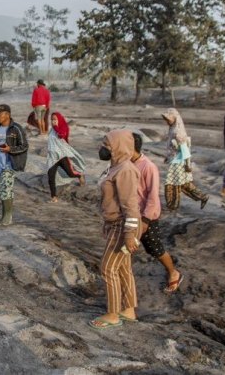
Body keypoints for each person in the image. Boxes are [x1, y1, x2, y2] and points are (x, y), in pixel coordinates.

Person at [89, 130, 142, 329]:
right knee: (123, 268)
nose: (103, 148)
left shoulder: (126, 170)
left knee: (108, 268)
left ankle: (112, 314)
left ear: (117, 147)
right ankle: (129, 309)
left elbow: (131, 206)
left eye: (107, 145)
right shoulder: (116, 167)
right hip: (116, 225)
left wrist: (130, 234)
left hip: (123, 226)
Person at [132, 132, 183, 294]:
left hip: (146, 216)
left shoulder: (148, 167)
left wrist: (146, 220)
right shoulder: (125, 163)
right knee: (125, 246)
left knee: (154, 247)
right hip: (131, 214)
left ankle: (173, 272)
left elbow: (153, 196)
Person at [161, 108, 209, 211]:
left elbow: (185, 150)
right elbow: (172, 146)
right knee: (183, 184)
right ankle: (202, 197)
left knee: (171, 185)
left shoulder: (178, 132)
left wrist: (188, 165)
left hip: (178, 163)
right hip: (175, 160)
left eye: (168, 118)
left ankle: (172, 206)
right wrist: (168, 156)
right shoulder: (173, 129)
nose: (167, 121)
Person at [46, 112, 85, 202]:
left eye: (55, 119)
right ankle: (53, 197)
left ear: (59, 119)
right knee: (50, 176)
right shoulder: (51, 130)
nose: (53, 121)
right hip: (52, 157)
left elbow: (61, 135)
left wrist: (56, 127)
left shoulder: (64, 127)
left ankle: (80, 175)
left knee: (70, 173)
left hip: (62, 156)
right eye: (51, 119)